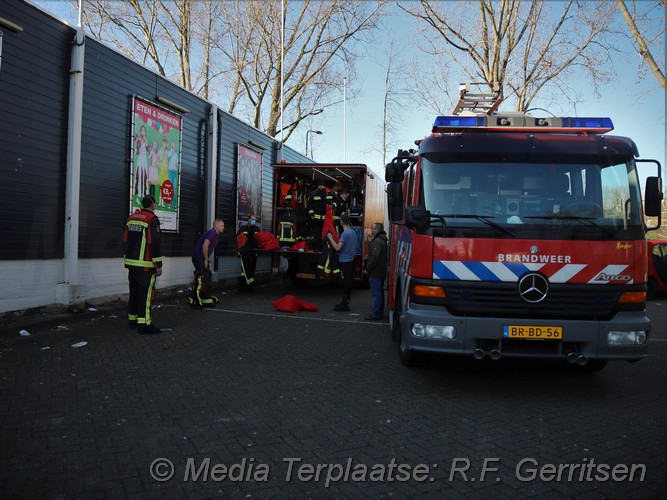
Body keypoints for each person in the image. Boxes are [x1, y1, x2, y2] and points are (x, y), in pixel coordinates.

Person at [123, 195, 163, 334]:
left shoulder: (131, 218)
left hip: (131, 263)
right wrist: (158, 264)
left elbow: (125, 239)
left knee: (134, 292)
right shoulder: (152, 219)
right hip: (146, 265)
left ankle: (132, 320)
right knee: (145, 295)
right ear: (152, 205)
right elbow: (154, 243)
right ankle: (145, 324)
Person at [188, 218, 225, 308]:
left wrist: (207, 259)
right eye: (222, 225)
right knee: (202, 278)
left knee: (207, 276)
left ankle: (204, 298)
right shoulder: (212, 233)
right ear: (216, 225)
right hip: (198, 257)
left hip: (200, 257)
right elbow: (205, 245)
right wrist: (206, 259)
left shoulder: (214, 234)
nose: (223, 227)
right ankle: (195, 301)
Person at [326, 213, 357, 312]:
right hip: (350, 260)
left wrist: (330, 237)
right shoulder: (352, 232)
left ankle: (345, 304)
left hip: (345, 261)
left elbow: (337, 247)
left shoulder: (345, 233)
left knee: (345, 283)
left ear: (341, 221)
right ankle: (345, 302)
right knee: (347, 283)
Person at [362, 222, 388, 321]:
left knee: (377, 293)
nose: (371, 230)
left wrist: (367, 268)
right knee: (379, 292)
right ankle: (379, 312)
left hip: (376, 272)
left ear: (377, 230)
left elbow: (375, 257)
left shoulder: (377, 241)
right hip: (380, 271)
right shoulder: (382, 240)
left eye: (372, 228)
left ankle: (376, 314)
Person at [307, 181, 335, 250]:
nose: (321, 187)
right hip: (316, 219)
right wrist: (311, 214)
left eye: (322, 185)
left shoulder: (330, 192)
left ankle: (325, 248)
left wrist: (333, 205)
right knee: (317, 235)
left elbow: (336, 200)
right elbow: (310, 205)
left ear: (324, 186)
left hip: (326, 219)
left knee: (327, 234)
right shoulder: (313, 194)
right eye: (319, 185)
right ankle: (317, 249)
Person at [236, 214, 260, 292]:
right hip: (245, 253)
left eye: (255, 220)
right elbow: (238, 240)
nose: (254, 221)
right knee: (245, 270)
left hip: (254, 252)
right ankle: (245, 286)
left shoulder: (257, 229)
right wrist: (239, 251)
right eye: (252, 219)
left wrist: (259, 250)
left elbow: (260, 239)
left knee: (252, 269)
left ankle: (248, 286)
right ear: (248, 220)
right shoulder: (243, 229)